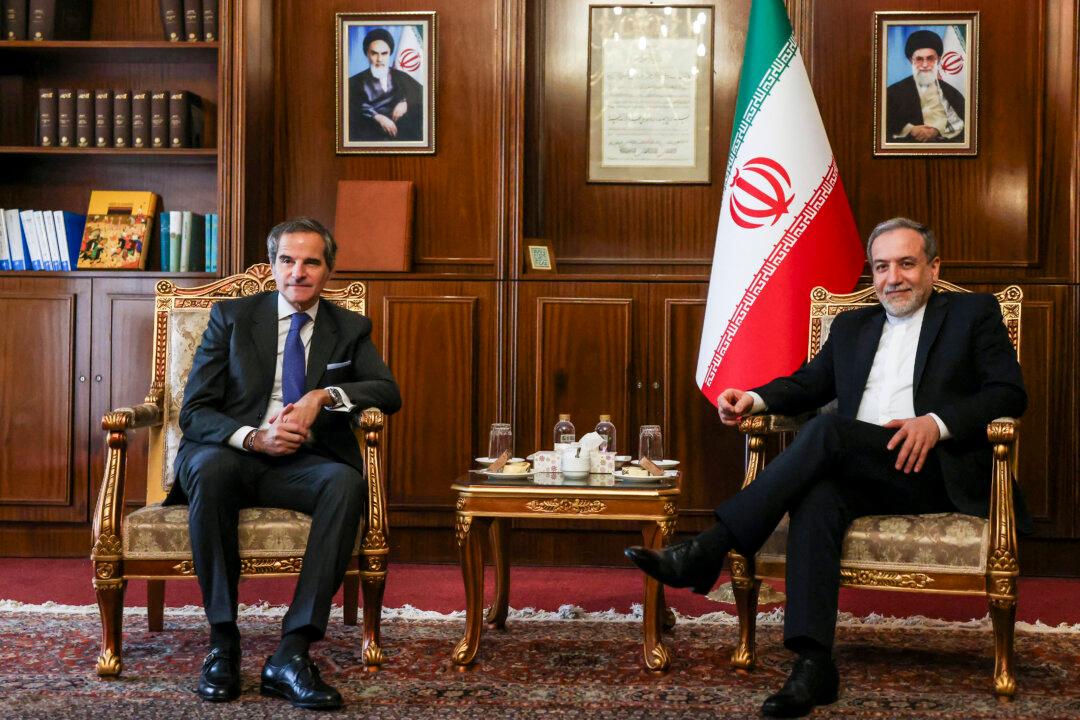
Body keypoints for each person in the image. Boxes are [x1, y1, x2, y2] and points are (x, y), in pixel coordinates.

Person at [625, 217, 1028, 718]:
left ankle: (710, 546)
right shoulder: (852, 325)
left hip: (932, 472)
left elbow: (1009, 392)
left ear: (933, 267)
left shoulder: (972, 314)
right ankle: (814, 665)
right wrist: (752, 397)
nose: (892, 278)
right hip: (862, 470)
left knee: (826, 430)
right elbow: (807, 385)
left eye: (906, 263)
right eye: (881, 267)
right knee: (817, 496)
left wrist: (936, 422)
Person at [166, 216, 402, 709]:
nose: (299, 271)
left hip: (302, 462)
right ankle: (223, 643)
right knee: (209, 470)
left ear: (328, 270)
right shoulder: (230, 318)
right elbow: (195, 412)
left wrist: (325, 395)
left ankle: (292, 652)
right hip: (228, 454)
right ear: (272, 266)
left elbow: (386, 391)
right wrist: (254, 437)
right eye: (288, 260)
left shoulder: (350, 327)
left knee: (344, 483)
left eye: (311, 261)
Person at [885, 30, 965, 142]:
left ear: (939, 60)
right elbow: (882, 130)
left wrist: (938, 130)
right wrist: (910, 130)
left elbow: (965, 130)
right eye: (919, 59)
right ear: (910, 61)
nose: (925, 65)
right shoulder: (891, 94)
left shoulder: (952, 94)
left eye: (930, 58)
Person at [348, 28, 423, 142]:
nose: (379, 59)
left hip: (401, 139)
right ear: (367, 54)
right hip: (369, 138)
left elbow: (423, 95)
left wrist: (405, 102)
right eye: (374, 53)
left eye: (384, 53)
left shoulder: (401, 77)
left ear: (390, 54)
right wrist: (378, 117)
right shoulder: (353, 82)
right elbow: (352, 107)